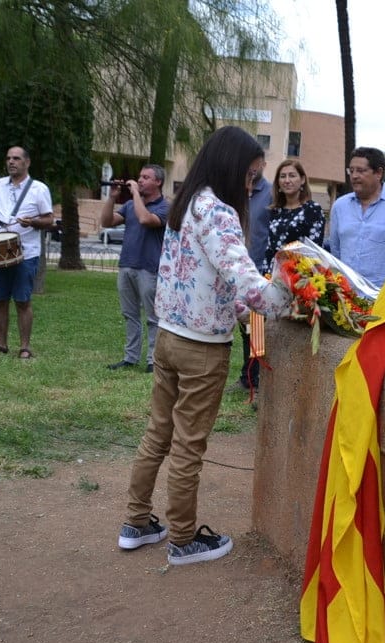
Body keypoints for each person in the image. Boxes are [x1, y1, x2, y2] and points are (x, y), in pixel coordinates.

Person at [117, 126, 291, 565]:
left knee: (158, 432)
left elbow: (205, 277)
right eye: (250, 176)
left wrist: (246, 305)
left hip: (171, 337)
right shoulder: (218, 212)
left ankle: (136, 523)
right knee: (189, 445)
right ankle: (182, 539)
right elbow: (248, 284)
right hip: (201, 350)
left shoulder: (187, 204)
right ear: (233, 168)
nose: (251, 186)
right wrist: (290, 292)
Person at [0, 146, 54, 359]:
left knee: (22, 300)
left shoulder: (39, 189)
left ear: (27, 163)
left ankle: (25, 347)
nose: (11, 162)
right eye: (9, 158)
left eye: (16, 158)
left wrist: (34, 221)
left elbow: (50, 219)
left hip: (26, 253)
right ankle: (1, 345)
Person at [100, 165, 170, 373]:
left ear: (158, 182)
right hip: (126, 265)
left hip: (149, 269)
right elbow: (106, 221)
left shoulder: (164, 207)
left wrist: (135, 195)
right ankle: (130, 357)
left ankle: (152, 360)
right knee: (129, 314)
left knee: (152, 317)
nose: (139, 180)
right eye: (139, 176)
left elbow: (146, 219)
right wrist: (112, 198)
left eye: (145, 177)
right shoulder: (130, 205)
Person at [327, 147, 385, 287]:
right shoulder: (339, 207)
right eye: (351, 170)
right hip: (347, 298)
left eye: (361, 171)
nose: (354, 176)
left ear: (378, 173)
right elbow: (336, 252)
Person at [229, 156, 271, 394]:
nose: (252, 169)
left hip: (258, 272)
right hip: (236, 271)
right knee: (245, 328)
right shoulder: (236, 191)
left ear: (263, 165)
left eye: (256, 164)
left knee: (257, 328)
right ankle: (248, 376)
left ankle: (256, 379)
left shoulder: (270, 194)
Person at [261, 159, 326, 274]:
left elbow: (314, 250)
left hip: (299, 277)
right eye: (282, 176)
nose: (287, 180)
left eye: (292, 176)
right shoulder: (275, 211)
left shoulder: (312, 210)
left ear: (302, 180)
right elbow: (270, 248)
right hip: (273, 275)